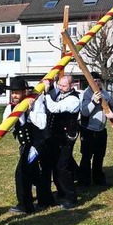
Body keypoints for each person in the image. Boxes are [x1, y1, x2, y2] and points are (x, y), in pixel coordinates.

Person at [2, 76, 52, 214]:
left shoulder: (36, 102)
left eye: (17, 92)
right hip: (26, 145)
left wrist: (29, 110)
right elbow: (7, 125)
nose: (14, 95)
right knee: (34, 174)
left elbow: (42, 124)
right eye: (12, 92)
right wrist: (16, 111)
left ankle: (26, 205)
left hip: (38, 144)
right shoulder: (10, 107)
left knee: (22, 172)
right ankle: (45, 199)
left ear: (25, 92)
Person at [43, 74, 80, 209]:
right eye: (60, 85)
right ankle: (62, 192)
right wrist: (51, 86)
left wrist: (47, 93)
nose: (61, 88)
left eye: (64, 86)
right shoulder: (62, 93)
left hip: (66, 139)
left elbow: (54, 108)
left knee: (62, 167)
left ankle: (71, 197)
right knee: (55, 165)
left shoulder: (73, 100)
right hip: (56, 137)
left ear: (72, 85)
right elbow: (55, 95)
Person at [78, 72, 113, 187]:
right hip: (88, 130)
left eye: (98, 80)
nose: (97, 83)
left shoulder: (106, 94)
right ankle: (84, 181)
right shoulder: (87, 94)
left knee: (99, 155)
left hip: (101, 130)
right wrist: (93, 101)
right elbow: (84, 111)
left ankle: (98, 179)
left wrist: (112, 114)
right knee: (86, 156)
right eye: (94, 80)